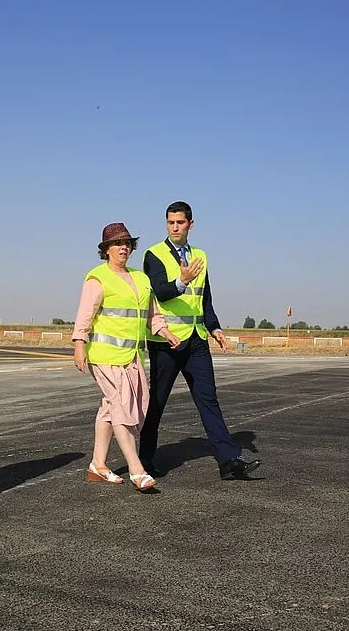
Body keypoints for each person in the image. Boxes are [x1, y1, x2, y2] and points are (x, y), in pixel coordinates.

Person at [139, 201, 261, 480]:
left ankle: (229, 459)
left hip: (196, 342)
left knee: (209, 399)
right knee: (156, 402)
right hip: (166, 343)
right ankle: (144, 460)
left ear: (190, 224)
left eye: (180, 222)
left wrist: (214, 327)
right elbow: (159, 291)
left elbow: (205, 298)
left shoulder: (200, 256)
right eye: (170, 222)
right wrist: (181, 282)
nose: (175, 227)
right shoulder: (154, 254)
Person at [71, 222, 181, 491]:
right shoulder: (98, 278)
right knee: (122, 407)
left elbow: (152, 314)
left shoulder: (141, 279)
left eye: (127, 243)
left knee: (111, 408)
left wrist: (164, 331)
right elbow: (85, 314)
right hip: (104, 356)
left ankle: (98, 464)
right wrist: (79, 343)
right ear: (106, 250)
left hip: (131, 356)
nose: (124, 247)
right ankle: (136, 468)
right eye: (117, 244)